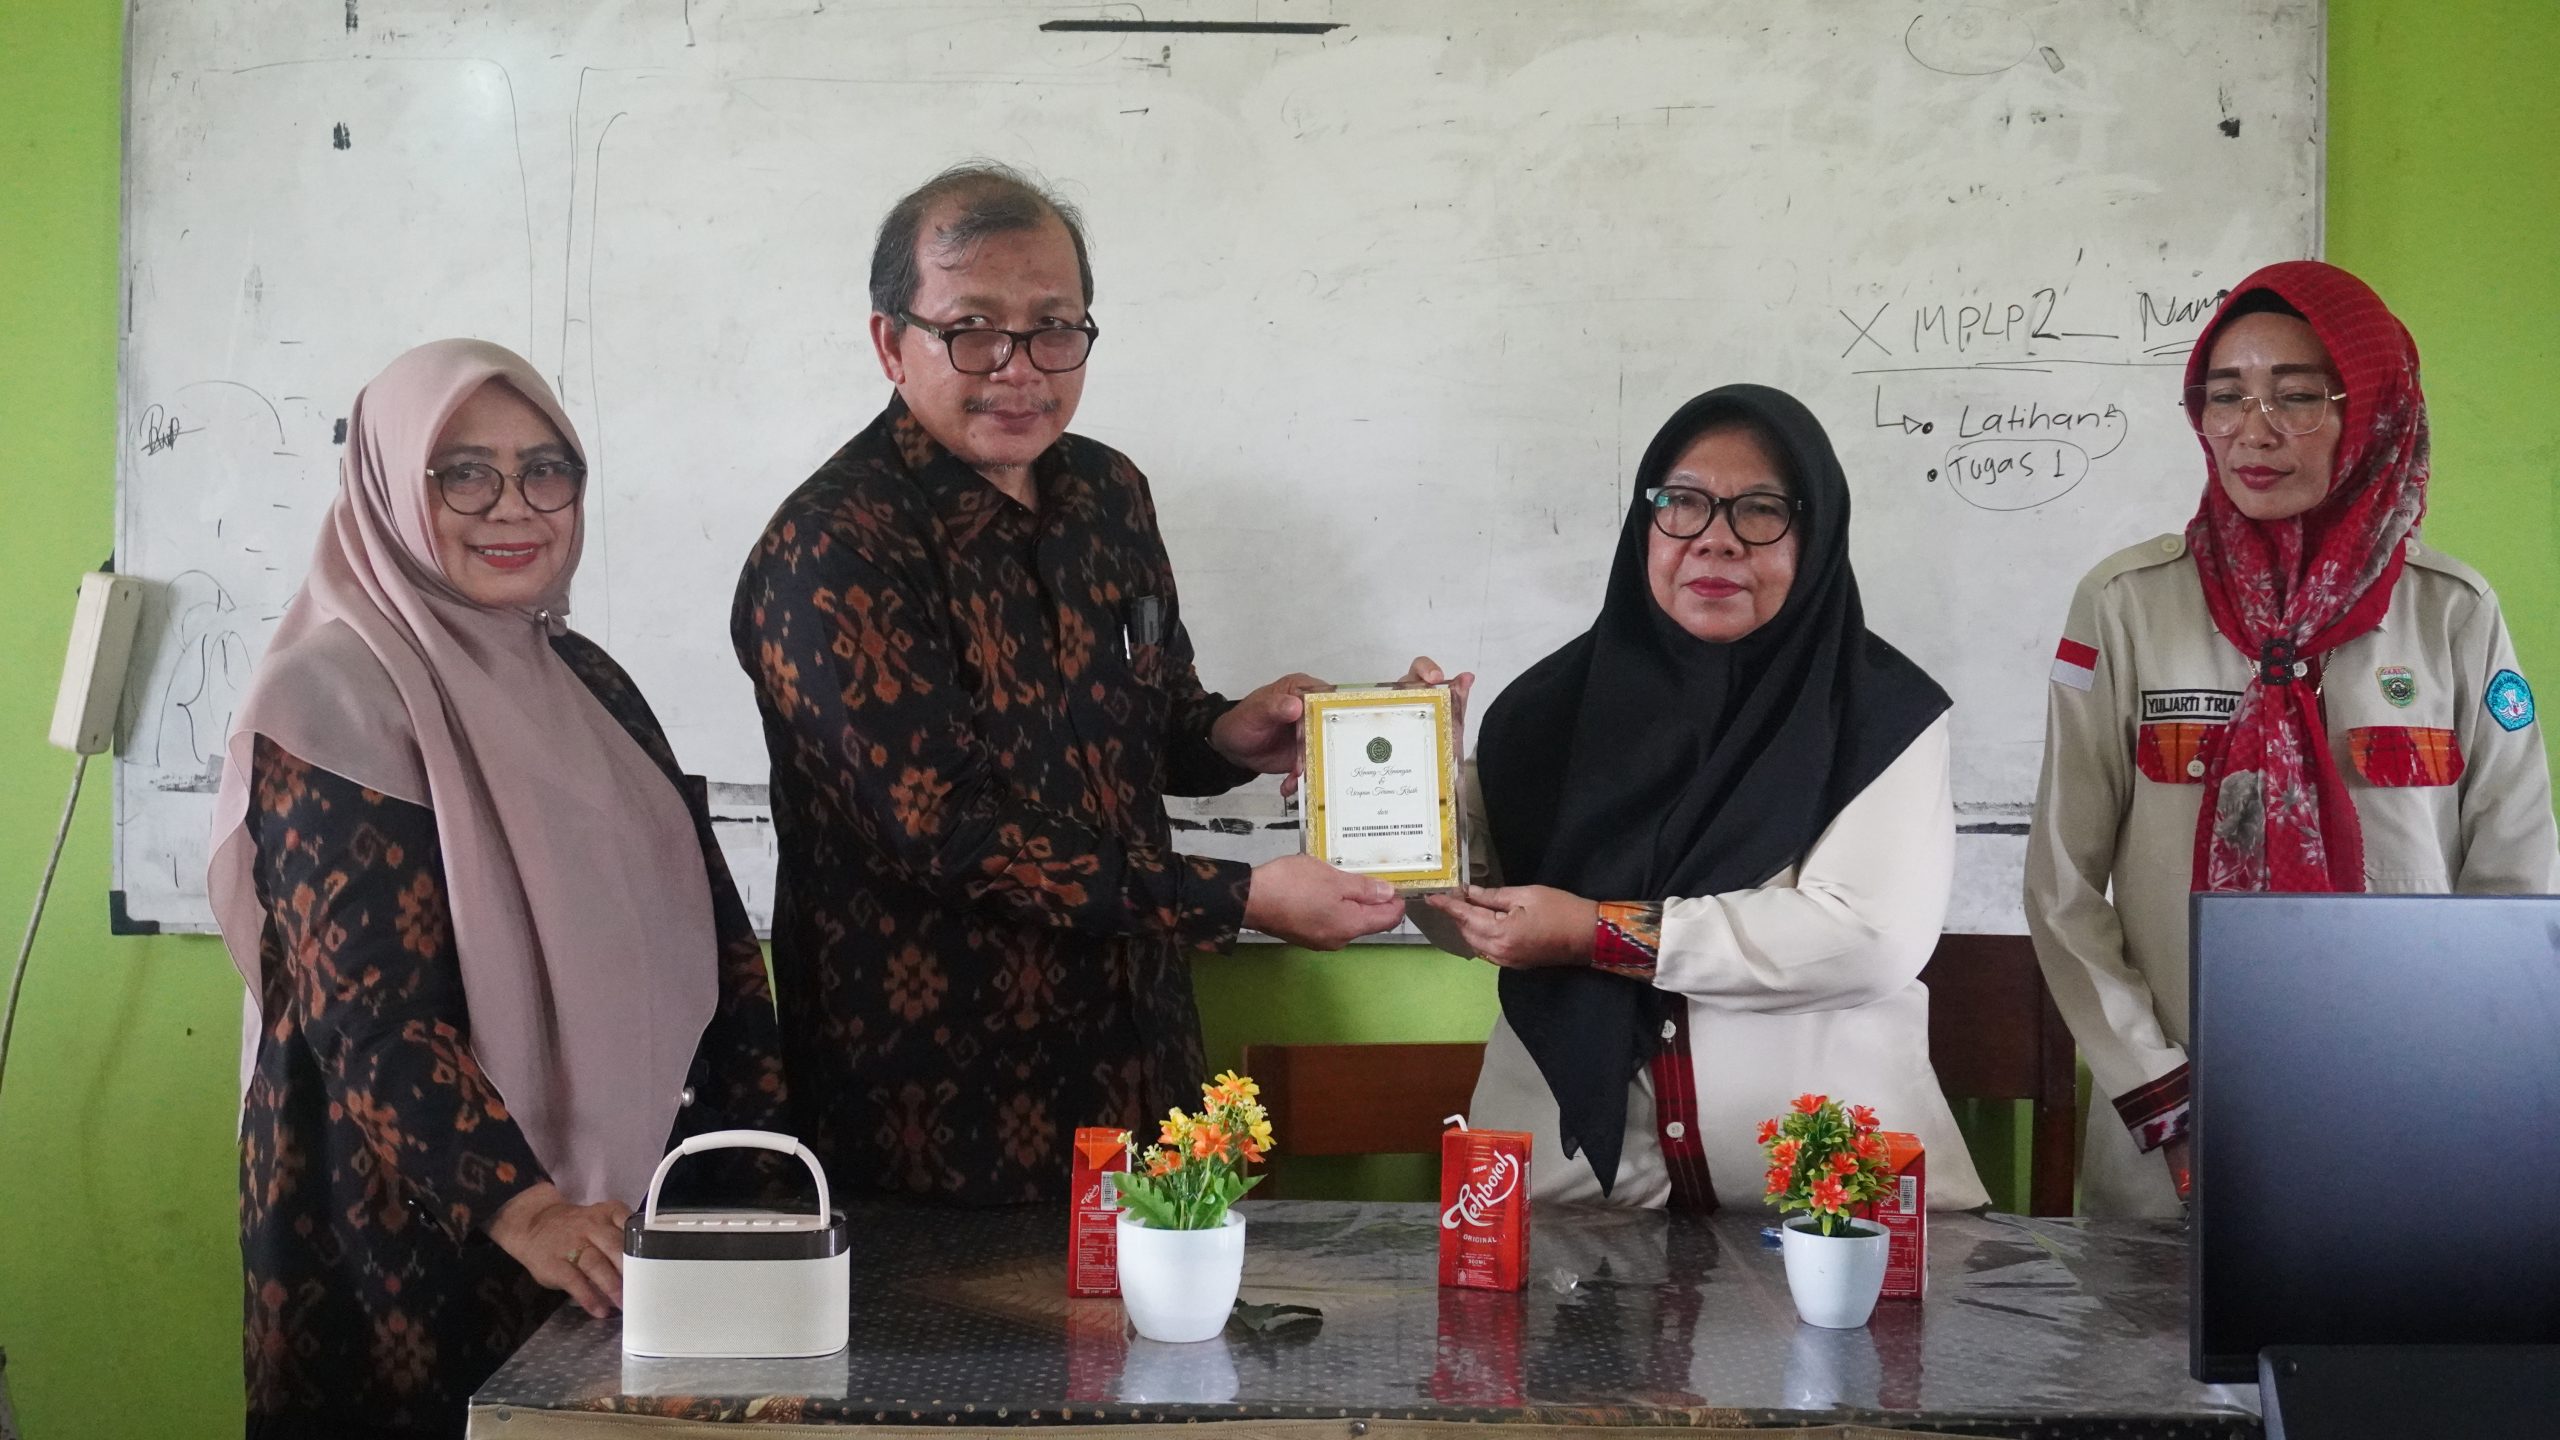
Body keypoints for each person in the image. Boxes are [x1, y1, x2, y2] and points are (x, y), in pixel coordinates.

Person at [732, 163, 1424, 1205]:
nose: (1019, 370)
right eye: (972, 330)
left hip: (1140, 1059)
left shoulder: (1107, 493)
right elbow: (949, 833)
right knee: (958, 1323)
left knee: (1156, 1312)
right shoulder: (835, 547)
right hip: (940, 1109)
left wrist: (1230, 734)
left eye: (1053, 328)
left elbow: (1150, 717)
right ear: (890, 343)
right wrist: (1238, 896)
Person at [209, 340, 788, 1438]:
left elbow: (710, 934)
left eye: (545, 469)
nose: (513, 506)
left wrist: (752, 1170)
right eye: (462, 473)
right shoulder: (328, 695)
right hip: (422, 1224)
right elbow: (368, 1012)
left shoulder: (589, 678)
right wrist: (524, 1209)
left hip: (621, 1224)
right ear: (388, 487)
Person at [2025, 261, 2559, 1217]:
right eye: (2225, 396)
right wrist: (2159, 1093)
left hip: (2406, 1122)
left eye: (2299, 396)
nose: (2254, 430)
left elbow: (2517, 889)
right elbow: (2062, 885)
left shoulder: (2452, 614)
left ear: (2375, 413)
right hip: (2171, 1139)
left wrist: (2457, 1084)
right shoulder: (2125, 605)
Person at [1415, 384, 1987, 1211]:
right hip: (1567, 1202)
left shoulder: (1880, 715)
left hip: (1825, 1213)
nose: (1715, 540)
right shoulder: (1544, 715)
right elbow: (1459, 920)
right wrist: (1410, 787)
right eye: (1682, 503)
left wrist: (1597, 933)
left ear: (1816, 535)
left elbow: (1866, 938)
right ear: (1645, 524)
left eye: (1760, 511)